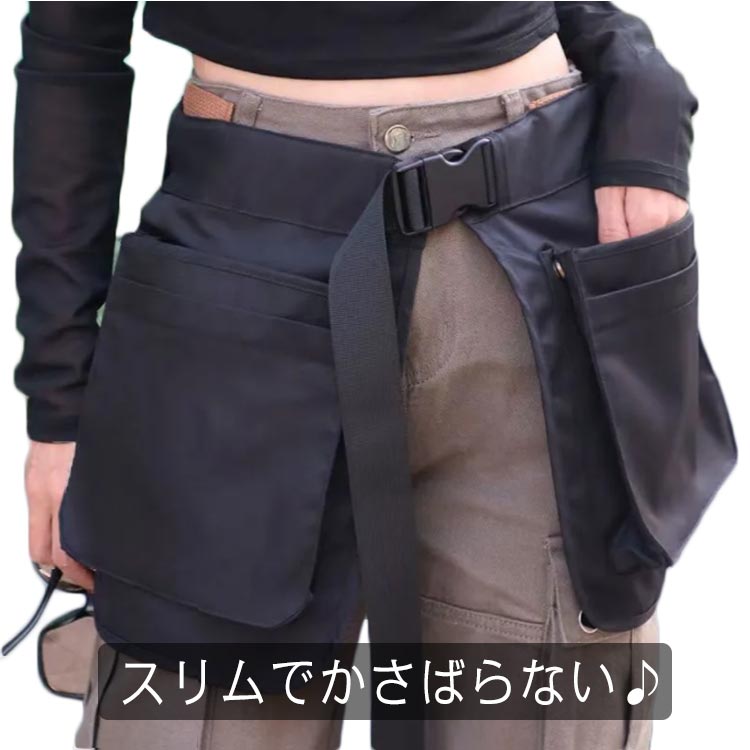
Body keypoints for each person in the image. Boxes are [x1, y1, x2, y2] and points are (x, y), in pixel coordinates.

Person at [11, 3, 735, 750]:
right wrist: (58, 403)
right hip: (236, 296)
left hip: (529, 269)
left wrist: (641, 82)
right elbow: (73, 42)